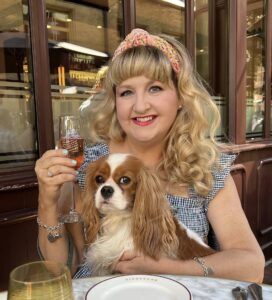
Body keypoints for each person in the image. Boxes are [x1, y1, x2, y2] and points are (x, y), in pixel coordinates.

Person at [35, 28, 265, 282]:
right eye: (126, 92)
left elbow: (252, 265)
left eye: (155, 88)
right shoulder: (90, 165)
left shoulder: (204, 168)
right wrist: (47, 202)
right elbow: (60, 269)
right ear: (115, 101)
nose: (140, 105)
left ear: (180, 97)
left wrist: (166, 267)